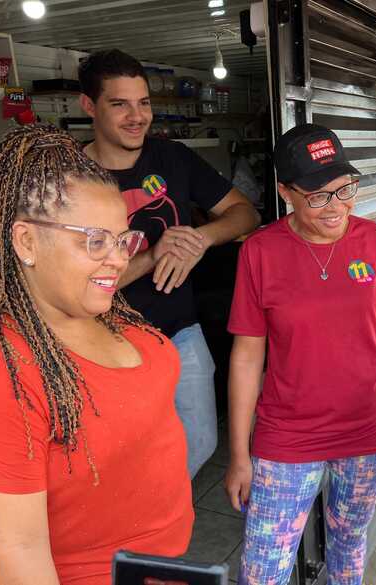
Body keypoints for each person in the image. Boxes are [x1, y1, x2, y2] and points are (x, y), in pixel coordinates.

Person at [0, 125, 194, 585]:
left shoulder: (99, 310)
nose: (120, 260)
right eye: (95, 241)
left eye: (123, 240)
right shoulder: (4, 367)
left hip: (168, 563)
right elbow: (20, 550)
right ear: (25, 242)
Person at [224, 124, 376, 585]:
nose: (338, 207)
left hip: (370, 429)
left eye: (345, 189)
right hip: (287, 434)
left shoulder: (375, 241)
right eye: (319, 196)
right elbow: (247, 357)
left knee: (349, 552)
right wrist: (238, 453)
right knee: (262, 569)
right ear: (286, 192)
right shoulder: (260, 252)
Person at [79, 49, 261, 477]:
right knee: (116, 451)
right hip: (100, 339)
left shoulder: (172, 158)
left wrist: (200, 238)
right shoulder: (69, 176)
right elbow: (75, 288)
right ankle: (136, 525)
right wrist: (154, 255)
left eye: (143, 103)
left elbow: (244, 213)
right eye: (119, 104)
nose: (136, 116)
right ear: (89, 106)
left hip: (180, 332)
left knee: (200, 438)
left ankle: (155, 521)